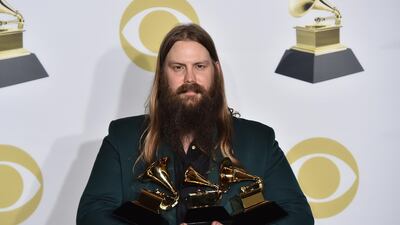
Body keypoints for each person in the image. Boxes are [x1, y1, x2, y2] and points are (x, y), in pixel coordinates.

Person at [77, 23, 314, 225]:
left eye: (199, 67)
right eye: (178, 68)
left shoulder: (259, 140)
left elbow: (299, 216)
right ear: (162, 74)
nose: (190, 79)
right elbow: (91, 216)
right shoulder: (122, 137)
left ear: (215, 71)